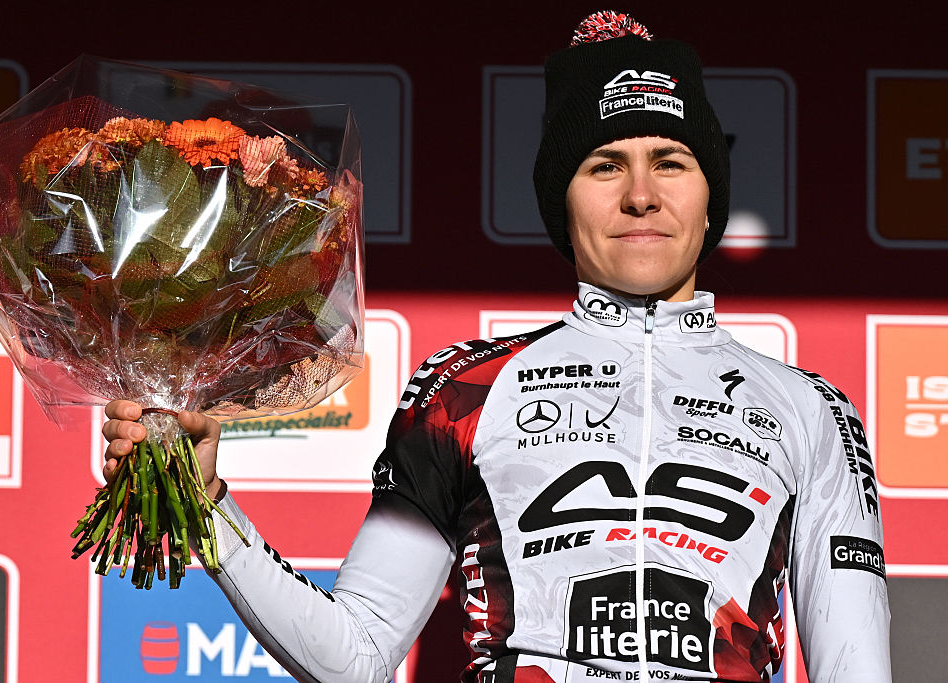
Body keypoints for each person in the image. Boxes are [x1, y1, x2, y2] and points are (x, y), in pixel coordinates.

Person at [102, 10, 891, 682]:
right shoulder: (464, 389)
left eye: (670, 162)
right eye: (605, 165)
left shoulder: (812, 411)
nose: (641, 194)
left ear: (711, 192)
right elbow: (355, 656)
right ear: (561, 200)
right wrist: (208, 503)